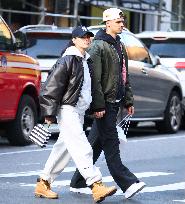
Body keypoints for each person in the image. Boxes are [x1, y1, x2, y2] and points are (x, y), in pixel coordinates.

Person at [34, 25, 117, 203]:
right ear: (74, 40)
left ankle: (44, 182)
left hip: (77, 111)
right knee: (82, 147)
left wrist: (95, 107)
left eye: (88, 36)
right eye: (83, 37)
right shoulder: (69, 59)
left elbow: (90, 88)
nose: (87, 39)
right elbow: (51, 86)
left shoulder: (85, 60)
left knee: (63, 150)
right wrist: (48, 113)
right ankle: (96, 185)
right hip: (67, 109)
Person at [70, 8, 146, 199]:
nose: (122, 24)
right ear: (108, 23)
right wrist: (98, 106)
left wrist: (128, 100)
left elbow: (123, 75)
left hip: (115, 101)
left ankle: (78, 182)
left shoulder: (118, 44)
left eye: (122, 21)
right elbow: (94, 80)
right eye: (118, 22)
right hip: (105, 103)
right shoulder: (99, 45)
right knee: (111, 144)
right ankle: (128, 183)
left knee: (95, 143)